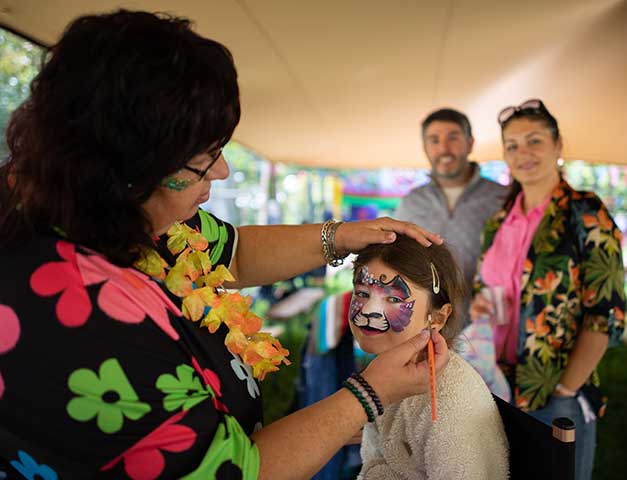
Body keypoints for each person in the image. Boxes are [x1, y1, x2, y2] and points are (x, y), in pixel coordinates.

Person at [0, 11, 451, 480]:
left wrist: (337, 236)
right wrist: (367, 397)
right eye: (203, 160)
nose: (222, 173)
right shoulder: (78, 314)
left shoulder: (127, 210)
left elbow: (231, 252)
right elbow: (236, 472)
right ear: (132, 168)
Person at [471, 99, 626, 480]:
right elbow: (483, 285)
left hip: (553, 393)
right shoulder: (498, 221)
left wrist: (565, 389)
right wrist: (480, 305)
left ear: (558, 146)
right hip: (494, 385)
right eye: (512, 145)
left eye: (534, 141)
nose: (523, 153)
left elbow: (606, 314)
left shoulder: (586, 213)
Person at [349, 235, 509, 480]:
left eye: (393, 299)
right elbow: (374, 464)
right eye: (361, 294)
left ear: (437, 318)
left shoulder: (451, 400)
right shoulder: (385, 370)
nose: (369, 311)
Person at [394, 108, 510, 398]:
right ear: (425, 148)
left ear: (470, 143)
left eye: (453, 138)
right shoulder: (411, 203)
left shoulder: (502, 198)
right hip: (425, 334)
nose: (443, 148)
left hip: (489, 335)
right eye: (434, 140)